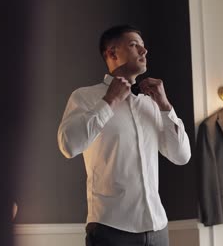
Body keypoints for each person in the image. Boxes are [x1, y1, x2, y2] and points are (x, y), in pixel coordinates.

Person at [57, 25, 191, 246]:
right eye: (133, 45)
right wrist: (108, 102)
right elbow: (68, 145)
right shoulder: (85, 97)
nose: (144, 51)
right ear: (112, 54)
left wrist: (165, 106)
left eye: (143, 45)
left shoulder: (151, 103)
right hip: (111, 230)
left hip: (158, 228)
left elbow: (181, 156)